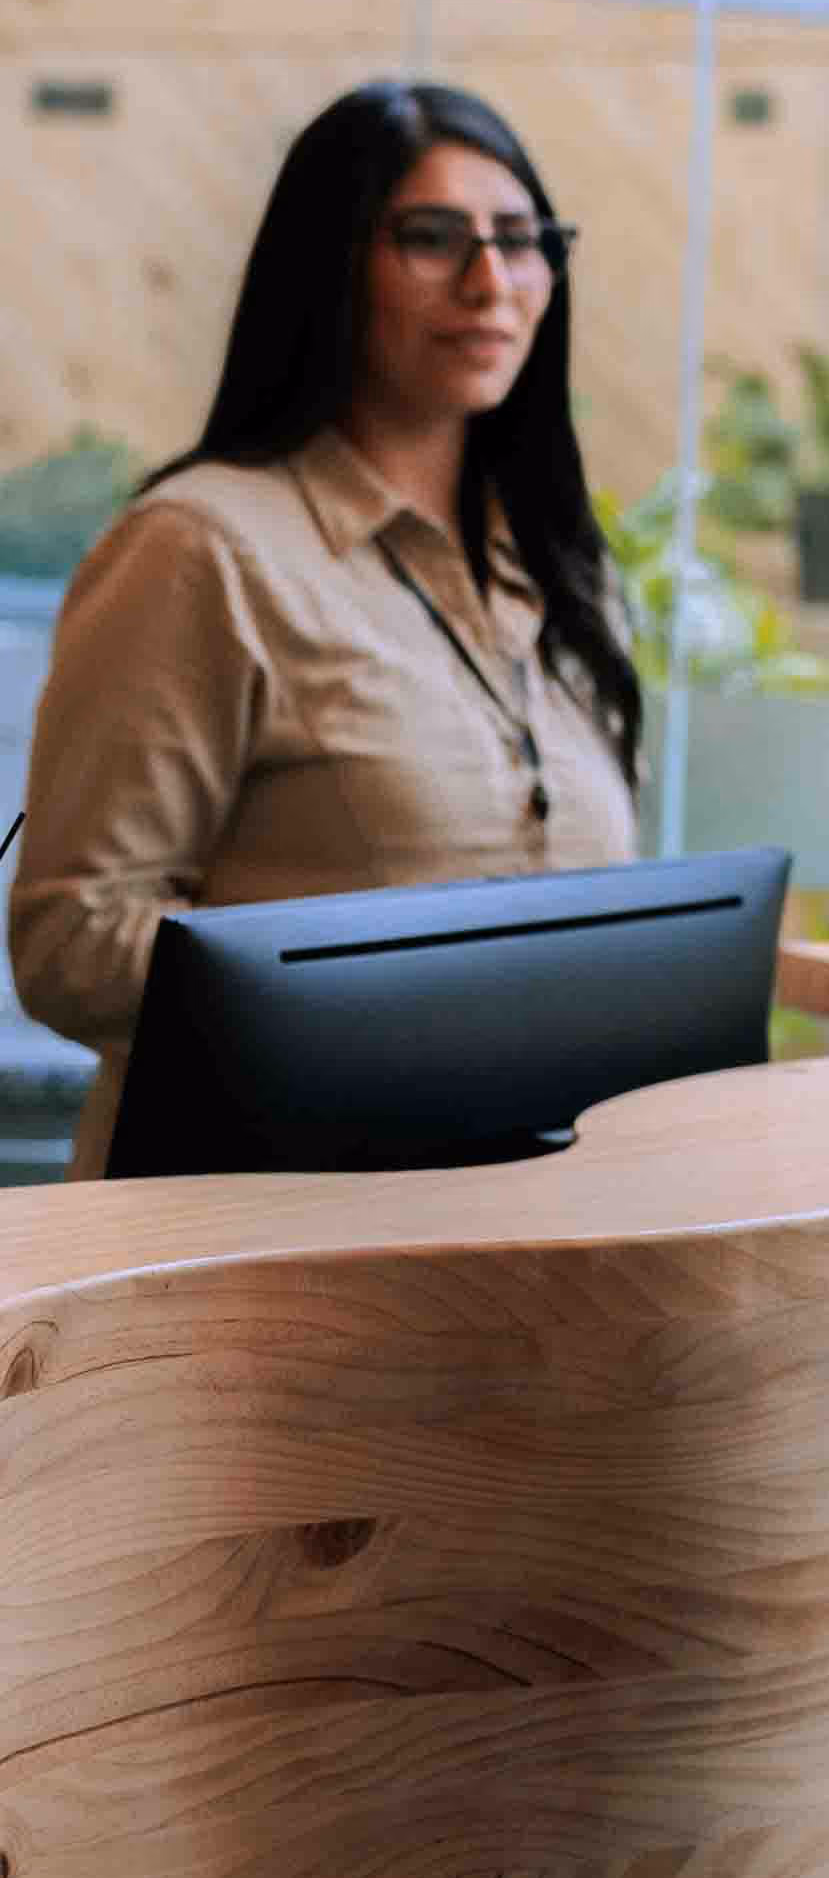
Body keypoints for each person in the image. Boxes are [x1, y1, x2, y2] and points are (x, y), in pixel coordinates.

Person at [11, 79, 641, 1176]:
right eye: (434, 239)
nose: (492, 281)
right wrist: (361, 999)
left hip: (514, 1226)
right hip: (252, 1240)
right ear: (331, 268)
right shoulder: (199, 548)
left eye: (522, 240)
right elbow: (70, 945)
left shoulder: (558, 573)